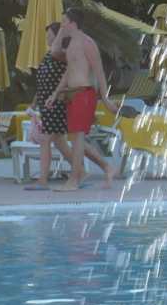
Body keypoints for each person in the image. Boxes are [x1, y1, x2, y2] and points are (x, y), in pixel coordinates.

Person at [25, 23, 113, 190]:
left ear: (59, 36)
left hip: (59, 103)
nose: (47, 38)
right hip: (48, 103)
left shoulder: (63, 54)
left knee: (50, 139)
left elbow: (73, 73)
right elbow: (44, 82)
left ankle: (43, 181)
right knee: (62, 140)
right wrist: (35, 102)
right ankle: (86, 171)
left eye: (50, 35)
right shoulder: (49, 55)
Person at [46, 7, 118, 191]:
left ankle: (74, 180)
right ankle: (106, 168)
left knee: (77, 137)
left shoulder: (87, 43)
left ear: (73, 23)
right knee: (75, 138)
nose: (61, 24)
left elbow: (99, 71)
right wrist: (55, 94)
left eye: (64, 21)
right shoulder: (70, 44)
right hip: (72, 94)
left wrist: (106, 99)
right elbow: (55, 53)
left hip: (84, 93)